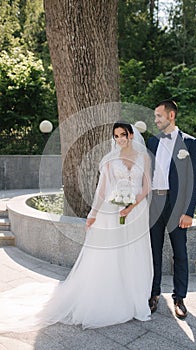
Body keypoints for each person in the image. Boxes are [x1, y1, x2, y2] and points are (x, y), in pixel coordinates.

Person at [0, 122, 153, 332]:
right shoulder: (109, 160)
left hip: (137, 211)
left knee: (133, 253)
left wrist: (131, 206)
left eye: (123, 135)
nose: (120, 139)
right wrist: (93, 214)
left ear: (131, 135)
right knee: (113, 253)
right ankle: (112, 297)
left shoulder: (143, 157)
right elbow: (102, 190)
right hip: (112, 210)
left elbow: (147, 186)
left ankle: (134, 297)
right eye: (116, 136)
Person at [147, 100, 196, 319]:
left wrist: (188, 212)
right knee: (153, 252)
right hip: (154, 204)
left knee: (180, 253)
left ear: (171, 116)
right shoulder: (152, 142)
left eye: (159, 116)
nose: (156, 120)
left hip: (177, 206)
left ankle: (179, 298)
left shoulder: (190, 143)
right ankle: (154, 294)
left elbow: (193, 181)